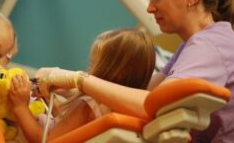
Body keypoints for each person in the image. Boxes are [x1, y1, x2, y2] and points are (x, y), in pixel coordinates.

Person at [35, 0, 234, 143]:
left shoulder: (210, 47)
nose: (150, 7)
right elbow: (141, 92)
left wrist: (79, 79)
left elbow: (151, 105)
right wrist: (74, 93)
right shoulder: (192, 44)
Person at [8, 28, 155, 142]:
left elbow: (45, 140)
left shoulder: (89, 105)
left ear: (117, 72)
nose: (89, 70)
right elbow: (71, 129)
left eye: (93, 64)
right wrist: (54, 104)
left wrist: (20, 106)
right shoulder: (117, 112)